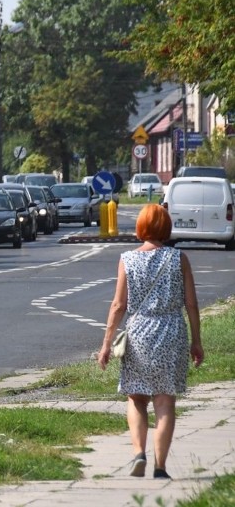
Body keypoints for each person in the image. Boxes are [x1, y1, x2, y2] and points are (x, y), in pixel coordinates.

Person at [97, 203, 203, 480]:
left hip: (139, 331)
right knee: (165, 401)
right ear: (166, 228)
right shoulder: (179, 258)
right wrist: (197, 341)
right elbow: (191, 304)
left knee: (136, 397)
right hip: (171, 330)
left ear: (141, 227)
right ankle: (160, 467)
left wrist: (107, 343)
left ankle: (138, 453)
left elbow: (119, 305)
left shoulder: (127, 259)